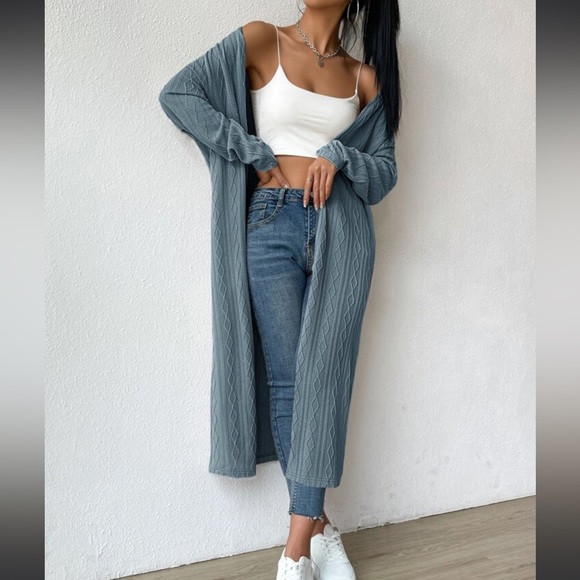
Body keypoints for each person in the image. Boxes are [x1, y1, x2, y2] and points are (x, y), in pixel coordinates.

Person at [159, 2, 401, 578]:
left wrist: (339, 156)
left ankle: (295, 552)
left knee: (325, 378)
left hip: (342, 235)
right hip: (269, 224)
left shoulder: (365, 79)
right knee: (292, 381)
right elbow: (178, 95)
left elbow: (384, 173)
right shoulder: (261, 39)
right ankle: (317, 530)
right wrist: (250, 151)